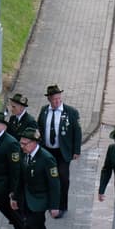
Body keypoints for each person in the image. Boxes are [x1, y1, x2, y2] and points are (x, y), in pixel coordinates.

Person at [13, 126, 60, 229]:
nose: (22, 146)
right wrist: (15, 197)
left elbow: (54, 184)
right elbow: (20, 178)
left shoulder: (46, 159)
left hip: (40, 200)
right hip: (27, 199)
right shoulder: (24, 155)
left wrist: (54, 206)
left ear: (34, 143)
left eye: (24, 143)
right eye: (21, 143)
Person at [37, 85, 82, 217]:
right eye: (54, 99)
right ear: (49, 99)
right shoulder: (44, 110)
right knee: (49, 176)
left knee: (63, 177)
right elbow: (39, 127)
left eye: (58, 98)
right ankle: (51, 203)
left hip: (62, 151)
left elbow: (77, 132)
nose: (57, 101)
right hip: (47, 150)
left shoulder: (70, 112)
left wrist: (76, 150)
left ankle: (62, 206)